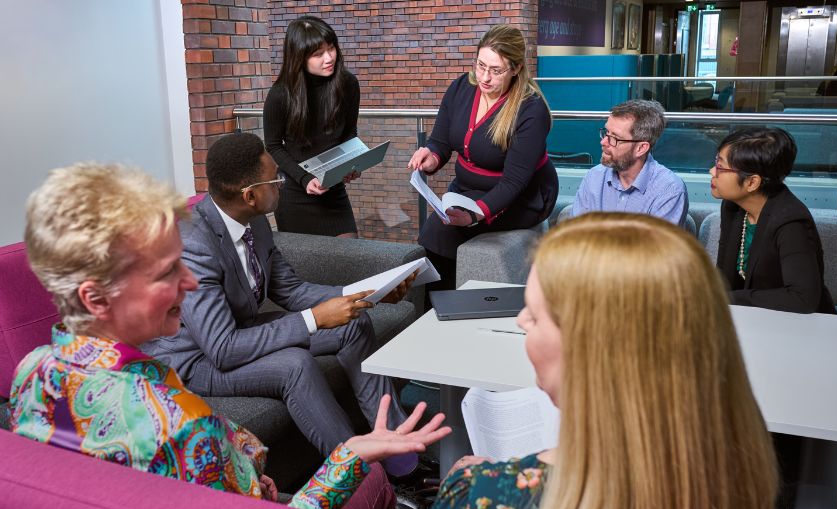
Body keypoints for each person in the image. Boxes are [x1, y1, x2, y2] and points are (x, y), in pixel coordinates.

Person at [10, 162, 450, 509]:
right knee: (369, 481)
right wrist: (350, 457)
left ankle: (398, 461)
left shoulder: (31, 372)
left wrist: (360, 296)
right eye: (167, 273)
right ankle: (390, 491)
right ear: (95, 298)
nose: (189, 284)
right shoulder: (182, 424)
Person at [426, 213, 779, 509]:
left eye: (534, 315)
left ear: (590, 349)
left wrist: (484, 481)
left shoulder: (480, 506)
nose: (520, 321)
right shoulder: (743, 486)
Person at [142, 132, 419, 476]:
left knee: (354, 324)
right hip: (196, 358)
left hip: (239, 330)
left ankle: (398, 449)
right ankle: (357, 475)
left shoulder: (254, 221)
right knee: (294, 365)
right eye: (276, 179)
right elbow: (222, 348)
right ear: (250, 195)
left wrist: (366, 294)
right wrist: (314, 319)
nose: (283, 184)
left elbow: (291, 290)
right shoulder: (194, 246)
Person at [408, 24, 559, 291]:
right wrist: (431, 157)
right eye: (480, 66)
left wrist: (475, 215)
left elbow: (513, 183)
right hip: (468, 189)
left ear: (516, 69)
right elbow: (441, 141)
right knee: (434, 232)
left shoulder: (531, 110)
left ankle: (444, 303)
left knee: (441, 231)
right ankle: (434, 303)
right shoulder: (461, 88)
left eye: (496, 70)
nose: (485, 77)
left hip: (524, 196)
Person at [711, 126, 835, 314]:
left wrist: (728, 299)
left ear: (752, 182)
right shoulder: (733, 206)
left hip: (798, 324)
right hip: (750, 318)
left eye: (720, 166)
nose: (712, 171)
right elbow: (724, 274)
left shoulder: (791, 222)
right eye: (716, 162)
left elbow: (802, 298)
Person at [264, 15, 360, 237]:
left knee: (352, 252)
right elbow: (273, 146)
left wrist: (350, 163)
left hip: (333, 190)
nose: (329, 58)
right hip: (295, 191)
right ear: (299, 57)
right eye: (318, 54)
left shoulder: (348, 84)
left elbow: (349, 133)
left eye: (331, 48)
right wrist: (305, 178)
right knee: (303, 258)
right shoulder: (280, 94)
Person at [571, 99, 688, 225]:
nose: (603, 142)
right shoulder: (594, 177)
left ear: (641, 148)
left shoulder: (670, 191)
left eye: (614, 138)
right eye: (606, 133)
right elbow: (576, 234)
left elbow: (654, 240)